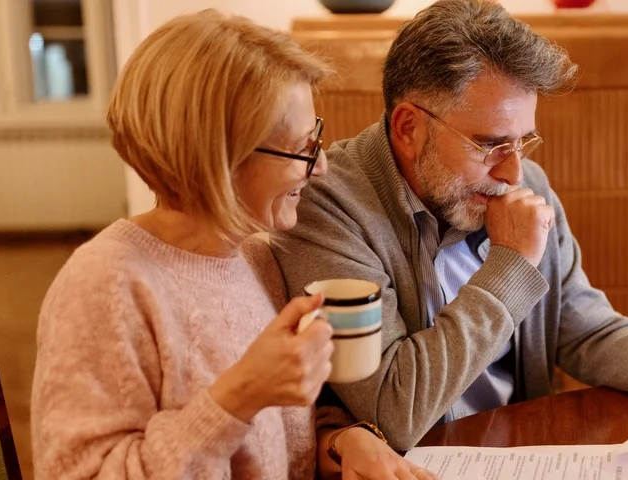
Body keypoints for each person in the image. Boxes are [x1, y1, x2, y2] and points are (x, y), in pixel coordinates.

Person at [272, 0, 628, 450]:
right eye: (490, 143)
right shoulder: (328, 207)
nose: (514, 171)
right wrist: (512, 264)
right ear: (409, 127)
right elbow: (394, 408)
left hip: (520, 453)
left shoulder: (525, 187)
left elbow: (587, 333)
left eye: (524, 140)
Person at [30, 10, 434, 479]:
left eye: (316, 140)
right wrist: (239, 396)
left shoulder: (255, 258)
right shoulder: (104, 284)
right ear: (220, 158)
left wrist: (340, 441)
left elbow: (276, 441)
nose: (320, 166)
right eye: (303, 147)